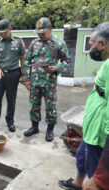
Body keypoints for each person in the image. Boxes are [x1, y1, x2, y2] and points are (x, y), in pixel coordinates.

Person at [59, 22, 109, 190]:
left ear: (102, 44)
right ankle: (77, 183)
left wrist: (98, 181)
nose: (90, 49)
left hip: (99, 133)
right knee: (81, 155)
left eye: (91, 44)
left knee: (94, 172)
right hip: (92, 127)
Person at [23, 17, 71, 142]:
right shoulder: (34, 43)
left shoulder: (59, 43)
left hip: (49, 83)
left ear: (50, 29)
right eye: (38, 32)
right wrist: (27, 78)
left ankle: (50, 130)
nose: (40, 35)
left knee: (51, 107)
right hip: (34, 82)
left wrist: (57, 68)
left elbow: (67, 61)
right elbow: (27, 60)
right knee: (34, 106)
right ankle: (34, 127)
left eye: (43, 32)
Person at [0, 19, 26, 133]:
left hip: (13, 74)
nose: (1, 34)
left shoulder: (18, 41)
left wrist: (23, 73)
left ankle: (10, 122)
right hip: (0, 74)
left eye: (4, 32)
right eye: (0, 32)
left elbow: (22, 57)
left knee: (11, 100)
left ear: (10, 29)